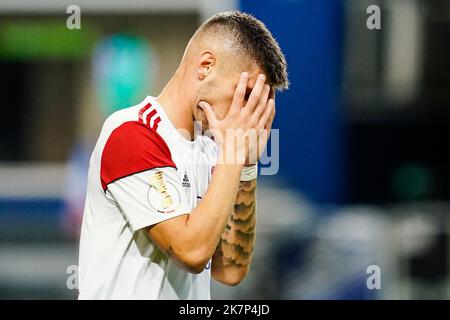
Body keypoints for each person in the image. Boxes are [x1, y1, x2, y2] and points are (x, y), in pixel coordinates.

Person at [78, 10, 288, 299]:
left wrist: (248, 165)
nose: (247, 113)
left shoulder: (212, 149)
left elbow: (230, 271)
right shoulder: (132, 134)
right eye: (244, 94)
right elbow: (191, 251)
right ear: (205, 66)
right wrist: (232, 156)